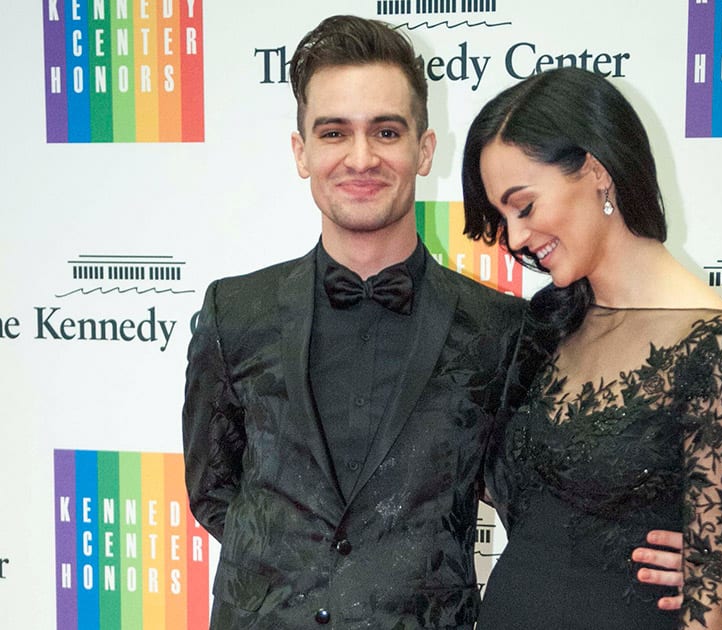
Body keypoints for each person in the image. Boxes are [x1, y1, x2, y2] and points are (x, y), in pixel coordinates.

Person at [182, 16, 682, 630]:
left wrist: (649, 552)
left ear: (423, 150)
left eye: (386, 131)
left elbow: (543, 501)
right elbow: (213, 489)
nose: (360, 157)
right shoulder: (235, 312)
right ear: (301, 152)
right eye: (334, 132)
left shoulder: (502, 330)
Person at [462, 66, 722, 629]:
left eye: (524, 206)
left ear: (597, 172)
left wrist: (706, 563)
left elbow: (709, 614)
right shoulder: (546, 325)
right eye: (504, 217)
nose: (517, 239)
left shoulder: (714, 349)